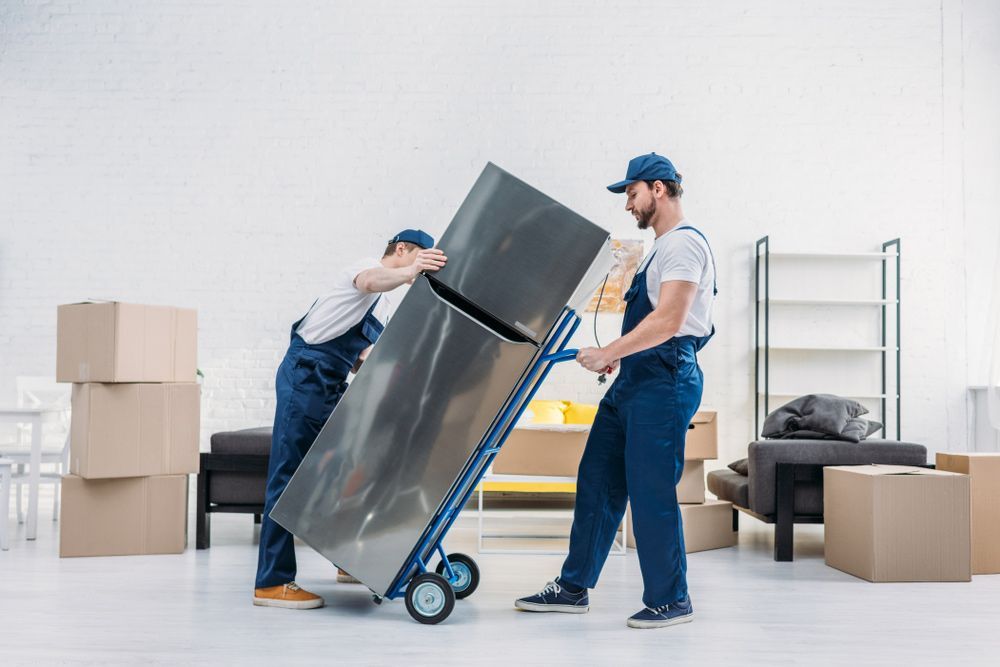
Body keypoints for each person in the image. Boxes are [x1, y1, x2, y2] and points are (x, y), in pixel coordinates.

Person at [514, 153, 716, 629]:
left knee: (650, 492)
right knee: (598, 481)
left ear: (658, 189)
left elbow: (670, 321)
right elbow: (656, 321)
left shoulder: (683, 246)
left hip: (665, 381)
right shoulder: (661, 248)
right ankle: (573, 587)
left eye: (631, 192)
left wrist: (609, 352)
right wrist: (622, 355)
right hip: (636, 380)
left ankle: (672, 599)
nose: (628, 204)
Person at [253, 229, 447, 609]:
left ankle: (347, 561)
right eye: (420, 258)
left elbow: (361, 360)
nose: (422, 269)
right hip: (306, 374)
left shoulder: (385, 307)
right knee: (289, 477)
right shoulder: (367, 269)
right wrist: (412, 272)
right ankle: (272, 582)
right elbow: (371, 281)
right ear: (403, 249)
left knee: (341, 471)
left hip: (330, 383)